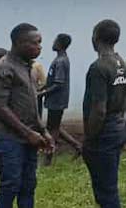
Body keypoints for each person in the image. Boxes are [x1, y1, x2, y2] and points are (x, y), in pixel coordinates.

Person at [0, 23, 54, 208]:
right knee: (11, 185)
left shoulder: (27, 67)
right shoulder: (3, 68)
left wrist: (43, 130)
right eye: (36, 43)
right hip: (7, 138)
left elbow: (30, 105)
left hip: (28, 137)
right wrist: (28, 133)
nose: (40, 47)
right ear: (19, 43)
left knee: (28, 185)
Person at [82, 19, 126, 208]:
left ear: (95, 38)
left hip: (104, 132)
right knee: (109, 184)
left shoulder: (99, 67)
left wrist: (89, 138)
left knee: (105, 190)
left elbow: (99, 110)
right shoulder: (121, 62)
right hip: (118, 127)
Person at [40, 33, 81, 165]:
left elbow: (59, 83)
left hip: (57, 100)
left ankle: (48, 158)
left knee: (52, 129)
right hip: (54, 99)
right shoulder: (58, 59)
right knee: (54, 126)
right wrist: (41, 89)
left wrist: (42, 93)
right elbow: (52, 81)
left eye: (55, 40)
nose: (53, 43)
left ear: (60, 44)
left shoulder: (61, 61)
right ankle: (78, 146)